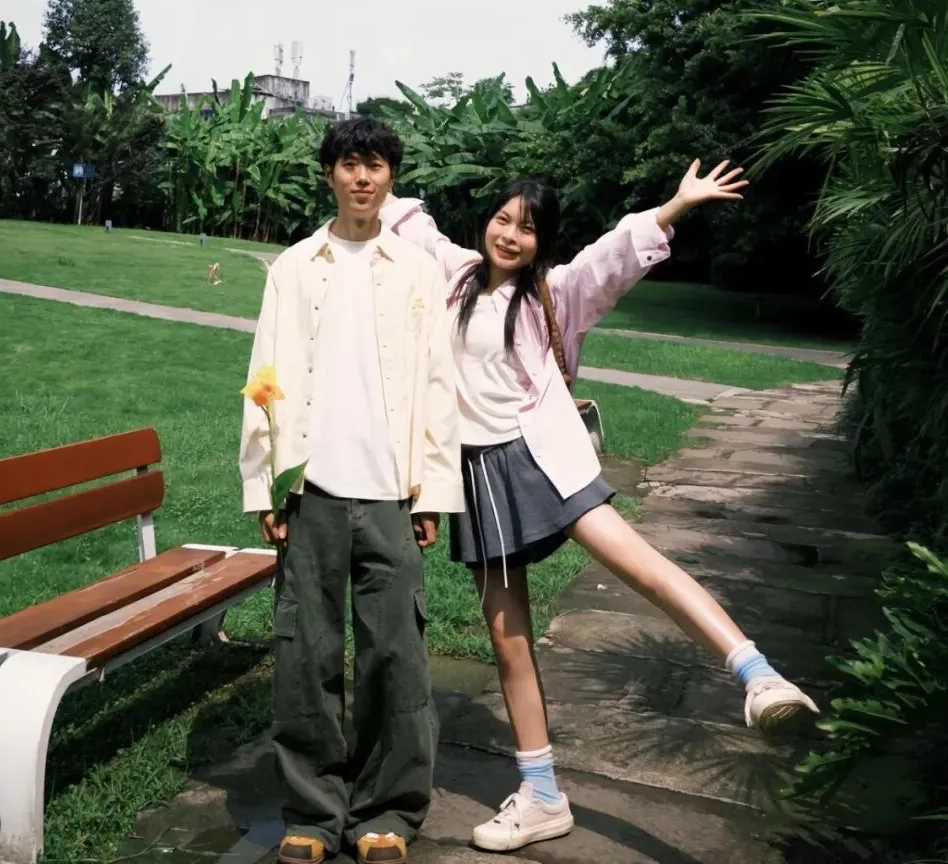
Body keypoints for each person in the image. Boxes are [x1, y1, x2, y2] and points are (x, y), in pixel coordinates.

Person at [380, 159, 819, 853]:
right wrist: (366, 184)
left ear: (542, 242)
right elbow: (408, 221)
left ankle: (757, 676)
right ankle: (542, 796)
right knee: (507, 639)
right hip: (476, 478)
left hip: (541, 459)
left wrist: (675, 206)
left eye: (527, 229)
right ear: (486, 222)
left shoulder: (553, 293)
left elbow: (609, 259)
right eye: (502, 220)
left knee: (639, 565)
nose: (510, 235)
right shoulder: (455, 274)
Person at [239, 116, 463, 864]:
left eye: (375, 165)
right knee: (305, 654)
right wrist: (266, 485)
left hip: (392, 491)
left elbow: (438, 386)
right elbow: (263, 379)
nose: (362, 178)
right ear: (330, 174)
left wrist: (433, 492)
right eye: (349, 165)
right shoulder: (293, 268)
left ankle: (387, 811)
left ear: (391, 177)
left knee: (394, 656)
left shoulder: (418, 271)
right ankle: (312, 809)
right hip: (313, 490)